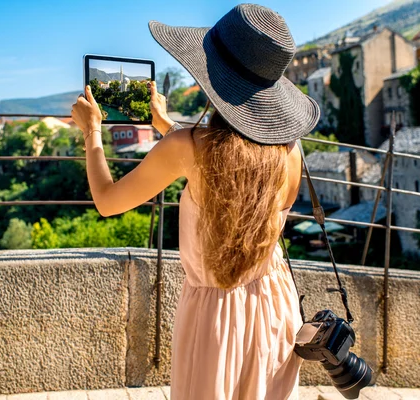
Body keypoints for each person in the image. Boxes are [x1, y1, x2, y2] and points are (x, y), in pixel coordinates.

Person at [71, 4, 320, 399]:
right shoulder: (289, 148)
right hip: (274, 304)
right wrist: (166, 125)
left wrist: (92, 132)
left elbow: (107, 200)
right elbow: (229, 165)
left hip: (217, 319)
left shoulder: (186, 147)